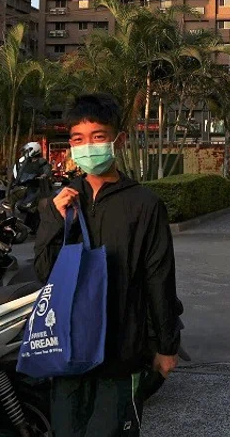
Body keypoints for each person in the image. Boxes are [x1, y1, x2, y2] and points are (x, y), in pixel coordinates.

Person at [34, 93, 181, 437]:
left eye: (98, 137)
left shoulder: (144, 204)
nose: (87, 147)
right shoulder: (63, 203)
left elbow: (158, 277)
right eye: (78, 139)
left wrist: (166, 345)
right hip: (68, 353)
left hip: (121, 355)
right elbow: (44, 272)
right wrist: (54, 220)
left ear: (118, 140)